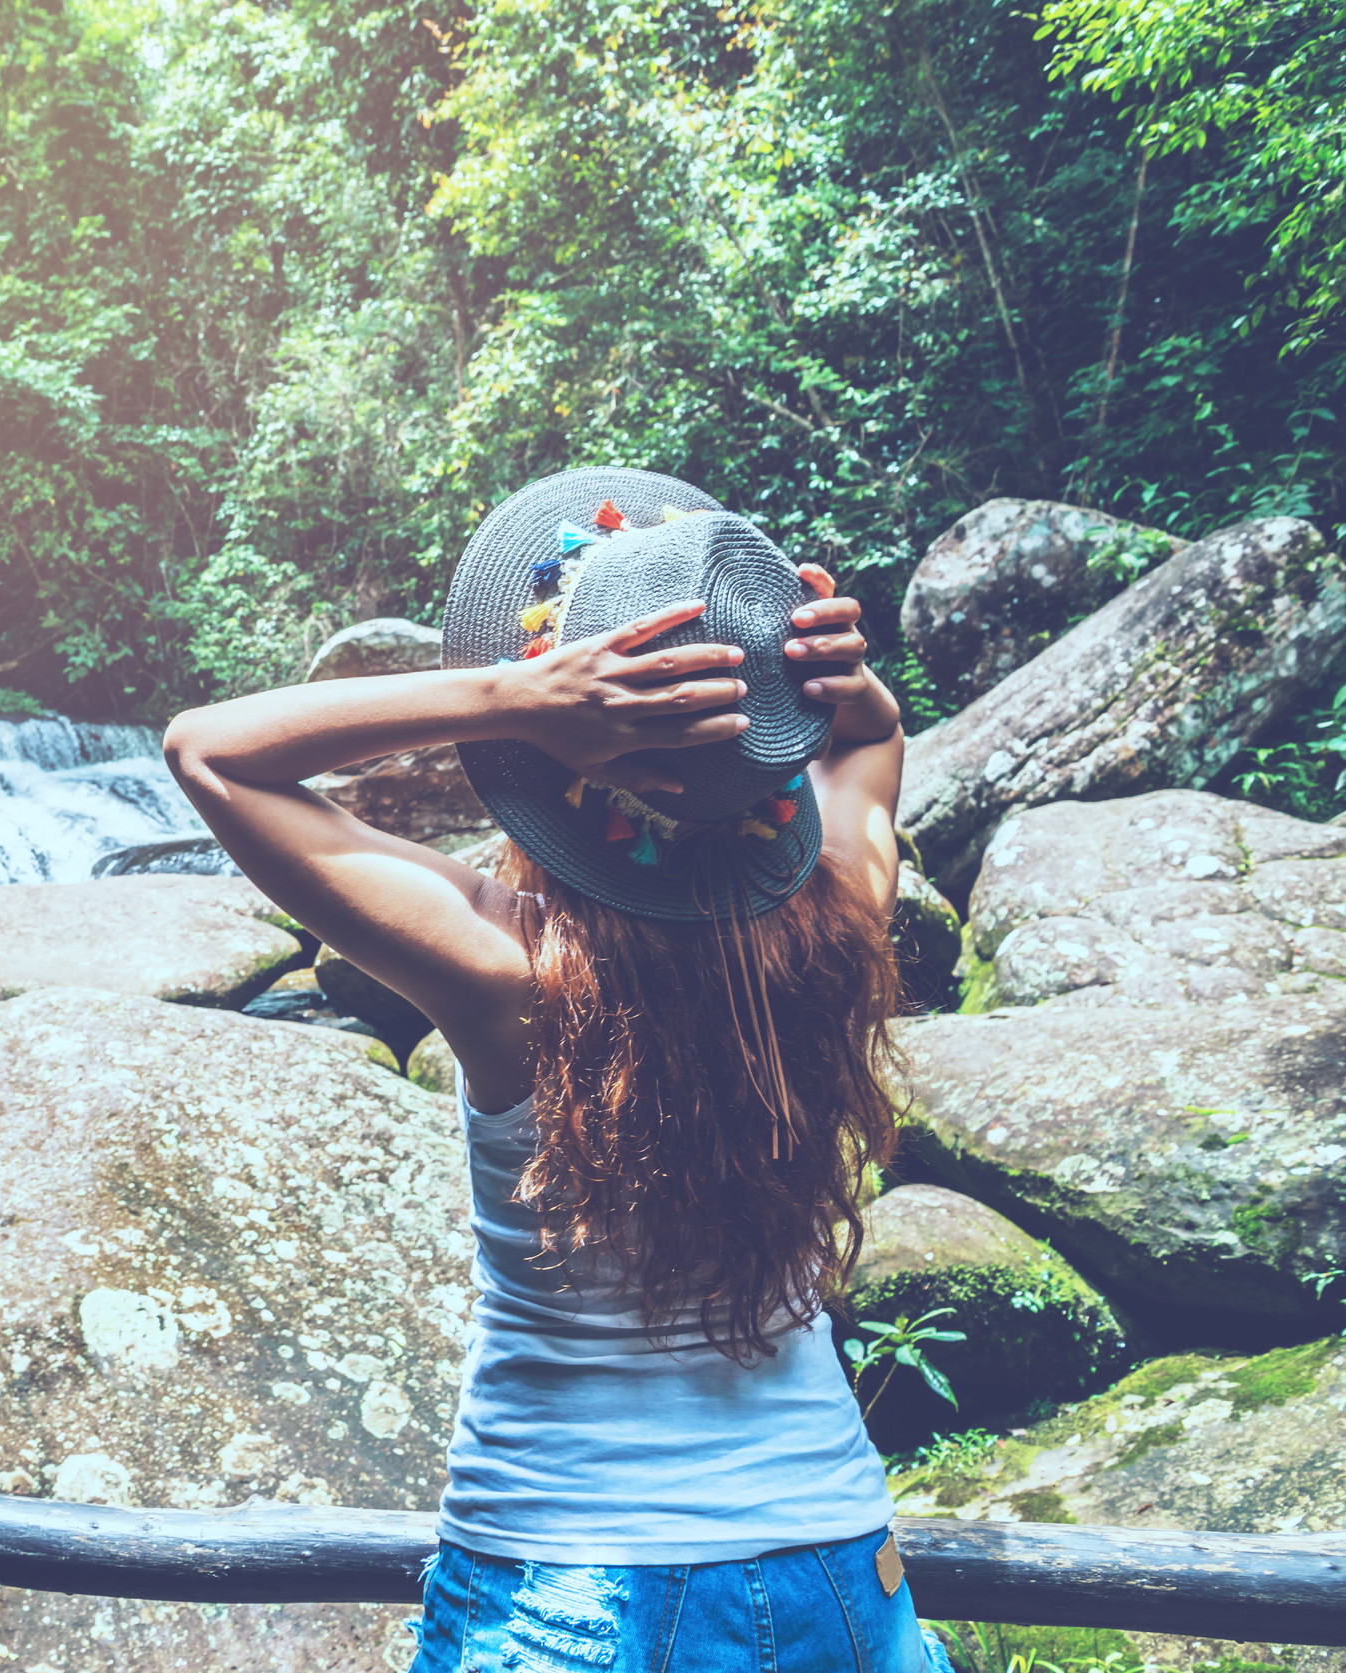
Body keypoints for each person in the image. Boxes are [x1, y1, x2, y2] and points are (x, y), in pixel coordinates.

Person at [163, 467, 949, 1673]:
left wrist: (509, 695)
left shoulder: (514, 974)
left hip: (568, 1575)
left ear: (555, 775)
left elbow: (210, 751)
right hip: (838, 1573)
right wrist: (813, 667)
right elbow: (873, 737)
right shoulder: (840, 915)